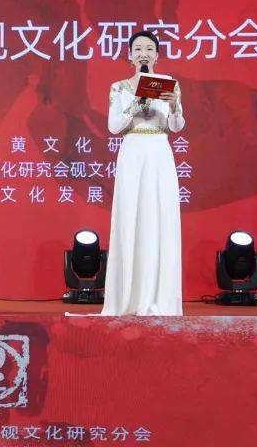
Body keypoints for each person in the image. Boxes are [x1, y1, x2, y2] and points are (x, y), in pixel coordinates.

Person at [100, 30, 185, 316]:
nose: (143, 53)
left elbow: (176, 126)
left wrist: (173, 106)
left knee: (159, 217)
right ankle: (129, 297)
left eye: (149, 49)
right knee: (131, 216)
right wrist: (138, 102)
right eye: (138, 49)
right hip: (133, 150)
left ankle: (158, 298)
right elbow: (114, 127)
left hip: (159, 151)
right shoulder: (119, 87)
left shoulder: (169, 84)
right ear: (130, 55)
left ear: (157, 55)